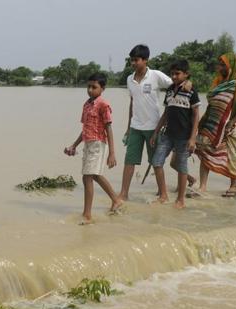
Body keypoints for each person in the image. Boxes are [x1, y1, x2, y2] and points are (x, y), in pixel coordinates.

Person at [64, 72, 123, 224]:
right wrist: (74, 145)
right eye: (88, 86)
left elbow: (109, 129)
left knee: (87, 177)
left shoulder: (103, 105)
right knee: (95, 175)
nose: (90, 90)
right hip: (88, 143)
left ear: (102, 88)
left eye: (94, 87)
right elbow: (85, 129)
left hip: (98, 143)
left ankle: (87, 214)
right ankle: (116, 200)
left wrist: (112, 153)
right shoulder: (87, 104)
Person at [120, 44, 175, 201]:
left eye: (136, 60)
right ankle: (124, 193)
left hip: (153, 127)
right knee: (129, 160)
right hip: (135, 127)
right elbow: (132, 103)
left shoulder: (156, 76)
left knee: (156, 162)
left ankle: (162, 193)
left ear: (145, 60)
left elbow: (175, 85)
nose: (133, 63)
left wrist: (187, 84)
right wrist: (127, 128)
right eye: (131, 60)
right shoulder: (129, 79)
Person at [195, 53, 236, 197]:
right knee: (205, 150)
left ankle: (234, 184)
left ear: (230, 66)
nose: (219, 67)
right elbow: (213, 100)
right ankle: (202, 187)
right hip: (213, 123)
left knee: (230, 153)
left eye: (223, 64)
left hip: (232, 124)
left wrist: (231, 122)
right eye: (219, 63)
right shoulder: (218, 81)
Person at [149, 59, 201, 208]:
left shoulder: (191, 91)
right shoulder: (170, 90)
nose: (174, 76)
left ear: (186, 74)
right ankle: (163, 195)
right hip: (168, 134)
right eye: (172, 74)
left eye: (177, 73)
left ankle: (181, 200)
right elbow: (166, 113)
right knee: (156, 162)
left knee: (181, 166)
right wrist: (155, 132)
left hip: (184, 137)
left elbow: (196, 115)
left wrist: (192, 138)